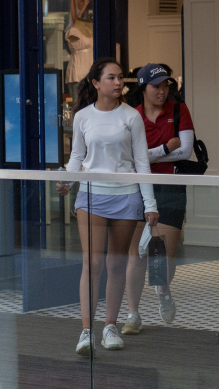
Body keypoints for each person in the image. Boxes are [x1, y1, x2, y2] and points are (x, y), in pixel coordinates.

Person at [56, 57, 158, 356]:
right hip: (91, 196)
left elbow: (141, 162)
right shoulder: (83, 117)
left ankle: (110, 326)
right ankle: (86, 331)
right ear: (96, 83)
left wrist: (149, 203)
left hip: (127, 197)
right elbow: (77, 157)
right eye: (112, 78)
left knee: (115, 265)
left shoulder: (132, 116)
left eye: (120, 78)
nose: (118, 83)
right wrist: (67, 180)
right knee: (93, 263)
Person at [122, 63, 194, 335]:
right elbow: (129, 158)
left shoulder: (178, 110)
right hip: (138, 186)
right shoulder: (131, 116)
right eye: (156, 87)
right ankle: (133, 314)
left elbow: (185, 151)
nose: (162, 91)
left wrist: (145, 155)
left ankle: (163, 289)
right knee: (136, 254)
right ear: (143, 88)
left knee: (162, 253)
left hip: (170, 185)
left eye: (165, 86)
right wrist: (164, 148)